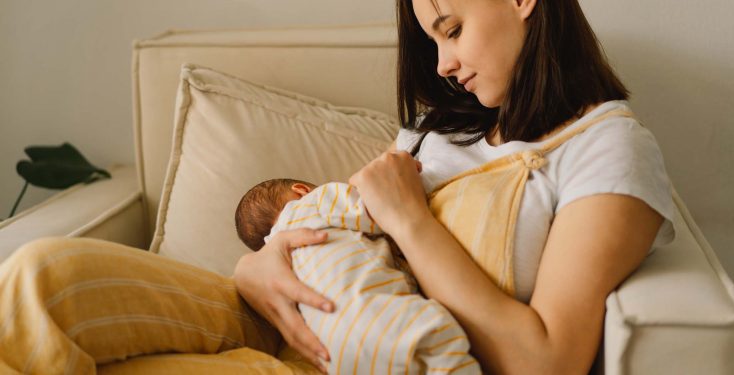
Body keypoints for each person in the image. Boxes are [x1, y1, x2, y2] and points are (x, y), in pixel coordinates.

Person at [0, 0, 675, 374]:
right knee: (37, 275)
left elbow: (546, 362)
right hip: (276, 307)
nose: (442, 65)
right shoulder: (440, 129)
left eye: (451, 29)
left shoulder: (608, 147)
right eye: (433, 41)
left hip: (368, 358)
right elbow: (340, 218)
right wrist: (255, 266)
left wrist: (414, 222)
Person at [234, 178, 479, 374]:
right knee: (444, 354)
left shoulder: (281, 265)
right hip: (383, 316)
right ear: (300, 190)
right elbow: (380, 209)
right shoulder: (315, 201)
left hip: (337, 356)